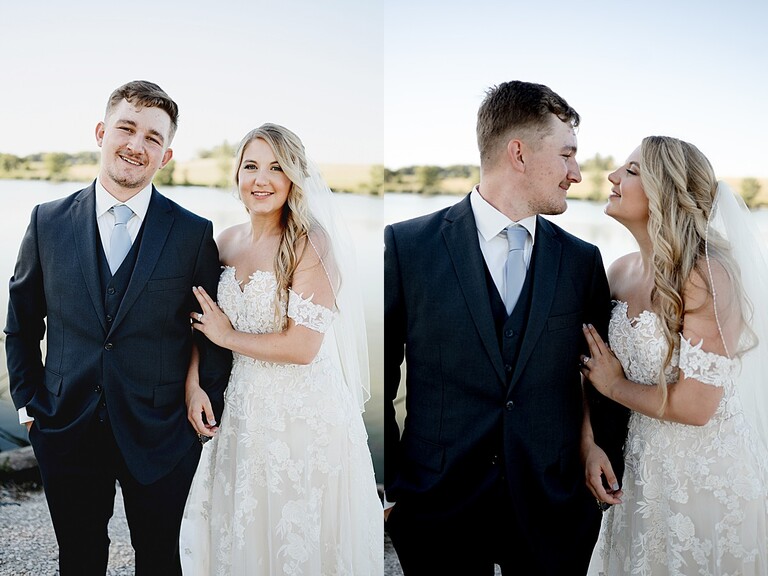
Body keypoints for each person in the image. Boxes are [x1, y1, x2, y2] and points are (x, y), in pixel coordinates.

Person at [383, 80, 629, 575]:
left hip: (553, 505)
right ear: (518, 153)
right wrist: (391, 485)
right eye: (567, 155)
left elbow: (598, 377)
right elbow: (379, 377)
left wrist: (595, 447)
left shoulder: (582, 261)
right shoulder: (407, 247)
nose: (577, 174)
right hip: (436, 505)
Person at [3, 80, 232, 575]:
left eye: (152, 137)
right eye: (126, 128)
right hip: (64, 424)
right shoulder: (47, 221)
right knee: (79, 558)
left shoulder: (193, 233)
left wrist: (201, 396)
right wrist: (29, 406)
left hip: (163, 431)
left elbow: (210, 330)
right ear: (101, 133)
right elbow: (20, 325)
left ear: (165, 156)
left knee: (161, 559)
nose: (136, 145)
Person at [179, 123, 383, 575]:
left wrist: (228, 337)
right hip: (241, 410)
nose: (261, 179)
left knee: (298, 538)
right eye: (251, 166)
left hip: (303, 418)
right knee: (242, 533)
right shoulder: (224, 243)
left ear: (294, 177)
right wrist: (193, 386)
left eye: (276, 167)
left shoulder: (311, 243)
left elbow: (303, 346)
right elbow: (200, 326)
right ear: (237, 175)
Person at [580, 136, 768, 574]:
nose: (612, 177)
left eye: (631, 171)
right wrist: (588, 444)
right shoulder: (619, 272)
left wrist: (616, 386)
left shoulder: (705, 276)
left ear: (664, 191)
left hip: (705, 474)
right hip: (641, 465)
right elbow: (591, 370)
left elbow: (697, 406)